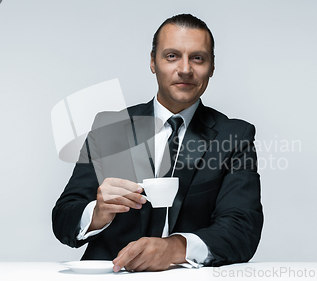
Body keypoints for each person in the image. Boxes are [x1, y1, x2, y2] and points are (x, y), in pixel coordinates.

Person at [52, 13, 263, 272]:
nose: (185, 69)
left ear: (212, 66)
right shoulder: (109, 129)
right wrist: (96, 213)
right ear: (153, 62)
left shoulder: (235, 136)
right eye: (172, 56)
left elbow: (243, 229)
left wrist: (174, 248)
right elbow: (63, 219)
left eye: (197, 58)